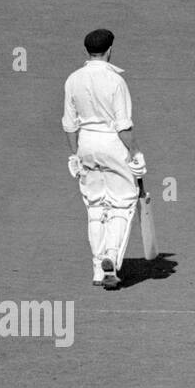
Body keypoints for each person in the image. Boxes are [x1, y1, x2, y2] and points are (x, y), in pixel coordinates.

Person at [62, 29, 147, 289]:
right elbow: (123, 126)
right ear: (110, 49)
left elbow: (69, 124)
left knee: (96, 207)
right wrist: (135, 154)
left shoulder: (73, 79)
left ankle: (98, 269)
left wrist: (75, 155)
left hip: (86, 144)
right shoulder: (116, 81)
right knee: (122, 205)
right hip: (112, 144)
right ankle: (111, 257)